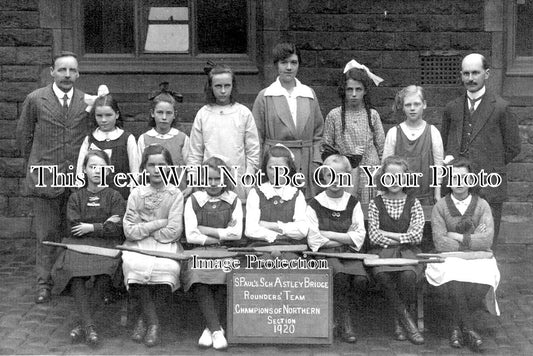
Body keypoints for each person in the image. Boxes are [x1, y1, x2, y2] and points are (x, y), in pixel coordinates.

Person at [16, 51, 90, 304]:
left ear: (78, 74)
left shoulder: (86, 101)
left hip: (75, 180)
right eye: (62, 70)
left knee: (73, 231)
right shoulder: (36, 99)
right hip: (46, 178)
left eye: (72, 70)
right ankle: (44, 284)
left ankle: (69, 280)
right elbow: (24, 138)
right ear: (52, 72)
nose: (67, 75)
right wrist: (36, 165)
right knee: (46, 234)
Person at [441, 53, 521, 244]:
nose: (470, 78)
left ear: (486, 73)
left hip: (489, 186)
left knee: (486, 243)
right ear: (461, 75)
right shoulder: (452, 108)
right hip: (458, 188)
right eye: (466, 73)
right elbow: (445, 144)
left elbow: (513, 147)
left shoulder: (501, 107)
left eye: (475, 73)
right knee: (455, 242)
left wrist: (489, 164)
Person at [52, 150, 125, 346]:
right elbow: (75, 227)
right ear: (84, 169)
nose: (96, 171)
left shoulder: (114, 196)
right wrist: (104, 224)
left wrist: (91, 227)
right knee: (74, 272)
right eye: (92, 167)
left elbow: (116, 227)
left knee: (105, 273)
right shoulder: (76, 197)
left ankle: (83, 325)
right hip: (79, 245)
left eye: (101, 167)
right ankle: (89, 326)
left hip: (106, 246)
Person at [427, 157, 500, 352]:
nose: (459, 183)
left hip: (479, 258)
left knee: (487, 276)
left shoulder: (482, 205)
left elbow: (487, 240)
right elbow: (441, 242)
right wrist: (472, 240)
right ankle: (467, 328)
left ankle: (455, 327)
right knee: (454, 273)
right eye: (454, 177)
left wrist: (457, 236)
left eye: (464, 178)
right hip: (450, 258)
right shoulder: (440, 207)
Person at [121, 144, 184, 347]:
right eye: (151, 165)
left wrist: (144, 225)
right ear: (144, 168)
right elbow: (130, 230)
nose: (157, 170)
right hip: (137, 243)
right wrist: (159, 223)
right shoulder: (136, 194)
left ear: (170, 168)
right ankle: (154, 324)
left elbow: (173, 231)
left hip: (166, 244)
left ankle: (143, 320)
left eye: (162, 164)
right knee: (134, 266)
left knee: (168, 267)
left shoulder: (175, 195)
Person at [183, 156, 243, 350]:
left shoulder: (233, 200)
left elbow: (236, 234)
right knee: (197, 273)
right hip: (200, 251)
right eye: (209, 178)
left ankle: (210, 329)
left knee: (227, 272)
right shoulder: (194, 200)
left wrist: (206, 230)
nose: (214, 183)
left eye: (218, 178)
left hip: (227, 251)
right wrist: (220, 236)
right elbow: (191, 235)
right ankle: (217, 330)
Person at [306, 154, 367, 343]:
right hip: (324, 256)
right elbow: (314, 239)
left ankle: (339, 317)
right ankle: (345, 322)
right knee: (338, 275)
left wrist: (329, 234)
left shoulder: (353, 203)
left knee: (360, 280)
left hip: (349, 254)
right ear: (323, 177)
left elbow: (359, 236)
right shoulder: (314, 204)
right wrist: (345, 238)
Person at [252, 42, 324, 198]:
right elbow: (257, 136)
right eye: (284, 62)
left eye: (294, 62)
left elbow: (318, 133)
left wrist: (315, 162)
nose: (289, 67)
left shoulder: (308, 94)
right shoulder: (266, 96)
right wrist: (260, 167)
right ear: (276, 65)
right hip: (275, 162)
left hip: (304, 162)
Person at [367, 155, 425, 345]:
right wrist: (401, 237)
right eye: (389, 176)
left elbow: (416, 236)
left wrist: (389, 235)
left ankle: (399, 322)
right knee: (382, 276)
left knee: (408, 276)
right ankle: (406, 321)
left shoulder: (413, 202)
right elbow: (374, 236)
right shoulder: (376, 203)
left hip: (408, 253)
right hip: (381, 255)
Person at [187, 64, 260, 202]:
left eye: (227, 86)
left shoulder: (243, 113)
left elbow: (253, 153)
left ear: (233, 86)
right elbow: (195, 153)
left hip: (237, 180)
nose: (223, 91)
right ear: (210, 87)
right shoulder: (203, 114)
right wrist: (194, 180)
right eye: (218, 86)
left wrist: (248, 180)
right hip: (210, 182)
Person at [322, 60, 385, 203]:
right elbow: (326, 149)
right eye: (350, 89)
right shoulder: (334, 115)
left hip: (370, 174)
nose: (354, 94)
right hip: (344, 175)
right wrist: (346, 155)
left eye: (358, 89)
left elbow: (382, 148)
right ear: (344, 90)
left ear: (365, 91)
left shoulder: (372, 115)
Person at [383, 85, 443, 205]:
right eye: (408, 105)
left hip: (426, 197)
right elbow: (385, 166)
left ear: (424, 104)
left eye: (416, 104)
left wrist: (437, 194)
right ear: (403, 107)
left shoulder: (433, 132)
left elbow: (438, 167)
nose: (412, 108)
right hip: (398, 196)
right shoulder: (394, 132)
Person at [245, 144, 308, 254]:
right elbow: (250, 230)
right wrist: (278, 235)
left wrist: (268, 225)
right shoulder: (256, 193)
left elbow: (302, 231)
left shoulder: (297, 194)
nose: (275, 173)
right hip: (261, 248)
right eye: (271, 168)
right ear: (265, 168)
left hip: (290, 249)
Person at [76, 94, 139, 200]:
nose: (104, 120)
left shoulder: (127, 138)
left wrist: (133, 192)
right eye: (99, 116)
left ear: (117, 114)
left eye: (108, 115)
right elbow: (80, 170)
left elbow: (135, 170)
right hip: (94, 196)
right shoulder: (90, 139)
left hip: (120, 195)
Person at [137, 84, 190, 194]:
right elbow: (140, 170)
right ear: (152, 113)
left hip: (177, 195)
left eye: (168, 113)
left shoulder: (182, 139)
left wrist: (190, 187)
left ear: (174, 115)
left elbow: (190, 166)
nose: (164, 117)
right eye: (160, 112)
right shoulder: (145, 139)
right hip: (151, 195)